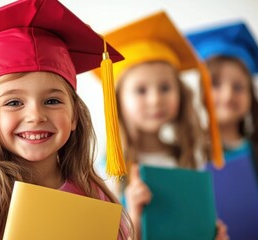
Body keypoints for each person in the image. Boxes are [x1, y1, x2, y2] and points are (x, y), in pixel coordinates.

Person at [0, 0, 133, 239]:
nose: (35, 116)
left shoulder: (94, 197)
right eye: (13, 103)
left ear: (74, 117)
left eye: (52, 101)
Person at [93, 11, 227, 239]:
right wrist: (134, 213)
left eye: (165, 88)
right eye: (141, 90)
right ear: (117, 100)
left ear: (180, 94)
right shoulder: (107, 171)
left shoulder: (186, 157)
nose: (156, 99)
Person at [188, 21, 258, 238]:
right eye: (216, 85)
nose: (228, 94)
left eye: (238, 87)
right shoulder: (192, 150)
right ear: (202, 92)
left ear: (251, 96)